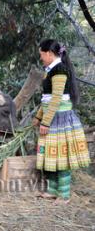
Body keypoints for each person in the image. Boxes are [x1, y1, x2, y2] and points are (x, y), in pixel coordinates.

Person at [34, 39, 90, 204]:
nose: (41, 58)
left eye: (42, 55)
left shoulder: (60, 71)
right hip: (51, 117)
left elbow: (56, 99)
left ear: (49, 53)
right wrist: (38, 117)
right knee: (50, 156)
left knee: (61, 157)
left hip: (60, 120)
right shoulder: (50, 69)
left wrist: (45, 122)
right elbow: (47, 99)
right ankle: (52, 191)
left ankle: (64, 195)